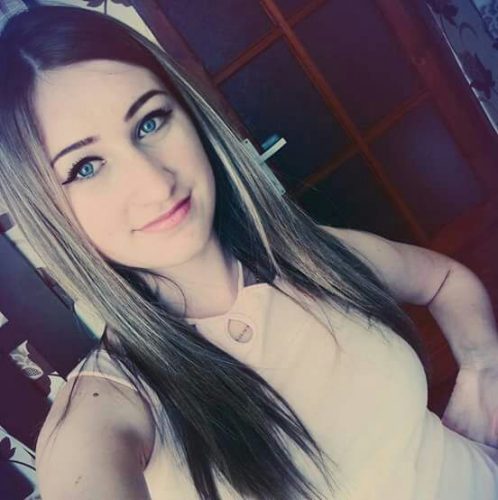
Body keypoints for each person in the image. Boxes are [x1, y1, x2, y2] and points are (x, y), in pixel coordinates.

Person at [0, 4, 497, 499]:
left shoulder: (311, 258)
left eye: (150, 122)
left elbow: (444, 281)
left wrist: (482, 365)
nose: (154, 182)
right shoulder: (108, 405)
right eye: (86, 167)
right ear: (47, 208)